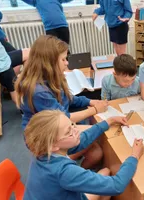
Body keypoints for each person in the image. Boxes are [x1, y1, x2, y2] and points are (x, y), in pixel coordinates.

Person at [15, 35, 108, 169]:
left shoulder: (53, 77)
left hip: (58, 127)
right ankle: (61, 163)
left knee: (96, 151)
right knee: (96, 134)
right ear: (49, 62)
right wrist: (94, 110)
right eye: (63, 59)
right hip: (43, 136)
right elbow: (64, 117)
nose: (67, 63)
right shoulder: (38, 91)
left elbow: (69, 99)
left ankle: (69, 167)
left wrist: (91, 101)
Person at [24, 110, 144, 200]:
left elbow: (83, 139)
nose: (76, 130)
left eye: (72, 125)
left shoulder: (44, 151)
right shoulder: (65, 171)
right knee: (108, 182)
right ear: (53, 145)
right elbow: (116, 186)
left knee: (106, 171)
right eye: (68, 131)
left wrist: (109, 121)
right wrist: (134, 156)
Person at [0, 39, 29, 103]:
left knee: (29, 53)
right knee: (18, 98)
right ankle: (25, 109)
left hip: (4, 58)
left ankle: (25, 84)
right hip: (2, 66)